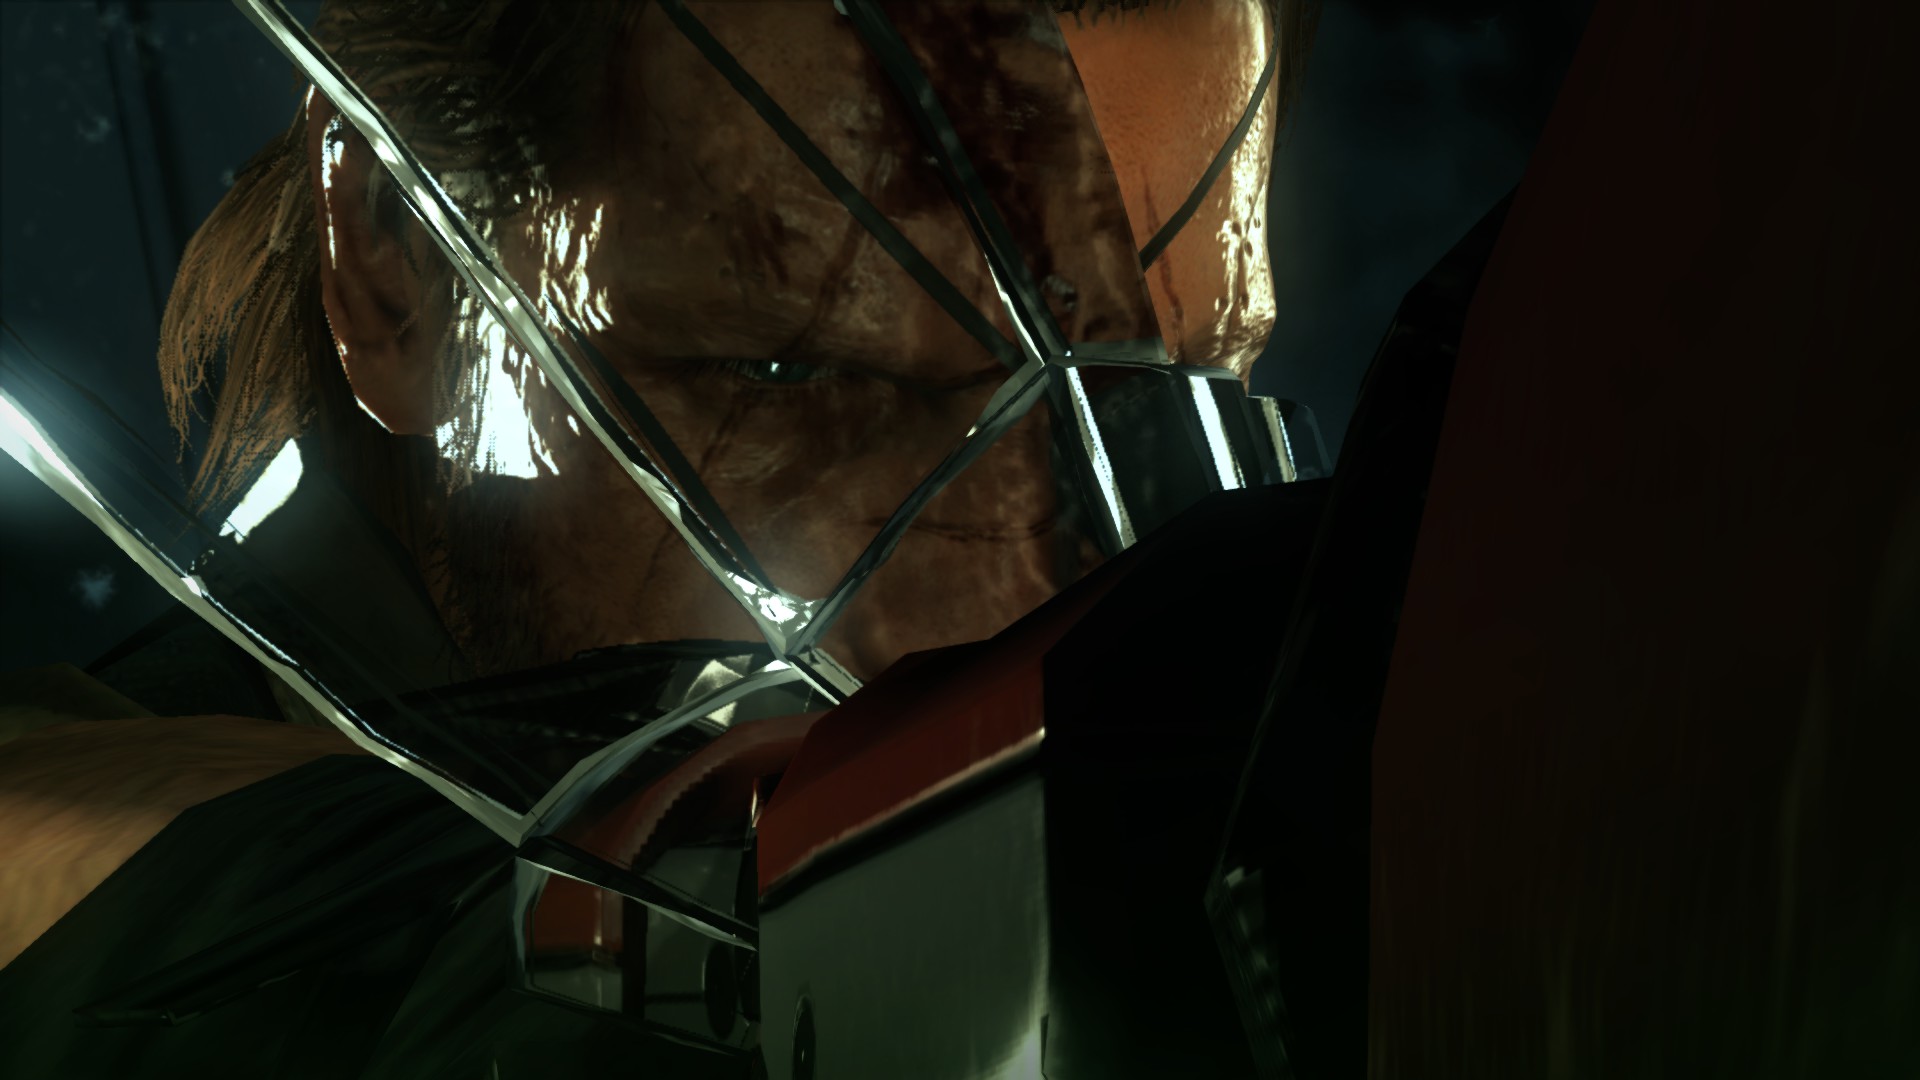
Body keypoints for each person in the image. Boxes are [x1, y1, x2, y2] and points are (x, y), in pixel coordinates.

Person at [0, 2, 1327, 1075]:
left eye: (1165, 405)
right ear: (400, 264)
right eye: (807, 381)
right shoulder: (101, 849)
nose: (1022, 596)